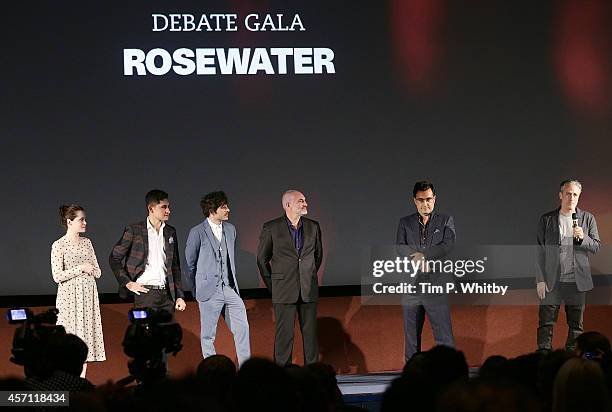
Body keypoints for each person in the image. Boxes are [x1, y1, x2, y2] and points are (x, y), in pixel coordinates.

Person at [257, 190, 323, 366]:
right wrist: (274, 285)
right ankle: (282, 377)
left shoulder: (313, 226)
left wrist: (307, 275)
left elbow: (318, 256)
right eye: (301, 201)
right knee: (284, 337)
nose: (305, 204)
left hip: (308, 288)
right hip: (283, 289)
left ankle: (313, 373)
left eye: (305, 200)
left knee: (310, 337)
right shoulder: (271, 227)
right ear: (288, 205)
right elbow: (262, 260)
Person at [185, 191, 250, 366]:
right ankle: (211, 370)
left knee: (242, 327)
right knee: (208, 334)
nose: (228, 209)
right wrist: (196, 289)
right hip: (208, 290)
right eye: (224, 207)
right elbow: (190, 263)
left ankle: (246, 368)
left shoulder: (231, 229)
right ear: (212, 210)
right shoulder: (197, 232)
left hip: (228, 288)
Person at [536, 179, 600, 352]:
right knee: (546, 324)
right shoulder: (547, 220)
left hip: (577, 283)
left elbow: (596, 246)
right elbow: (539, 252)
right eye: (568, 194)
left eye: (575, 195)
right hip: (552, 281)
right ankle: (543, 359)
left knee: (576, 327)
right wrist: (540, 280)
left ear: (579, 197)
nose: (571, 198)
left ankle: (571, 360)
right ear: (560, 195)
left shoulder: (587, 219)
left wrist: (583, 238)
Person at [396, 181, 456, 361]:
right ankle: (413, 376)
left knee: (443, 335)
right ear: (415, 201)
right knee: (411, 338)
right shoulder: (405, 223)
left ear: (434, 199)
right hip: (411, 287)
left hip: (436, 286)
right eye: (421, 200)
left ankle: (450, 372)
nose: (425, 204)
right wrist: (416, 256)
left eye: (429, 199)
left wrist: (424, 255)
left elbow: (447, 246)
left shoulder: (445, 221)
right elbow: (400, 247)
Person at [109, 189, 186, 315]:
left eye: (169, 207)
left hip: (167, 295)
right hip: (145, 295)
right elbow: (114, 258)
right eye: (164, 207)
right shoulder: (134, 230)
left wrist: (180, 295)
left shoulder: (170, 232)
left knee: (167, 334)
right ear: (151, 209)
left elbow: (175, 266)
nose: (168, 211)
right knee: (146, 333)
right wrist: (128, 283)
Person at [51, 204, 106, 377]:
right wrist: (80, 268)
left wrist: (90, 270)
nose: (85, 222)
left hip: (87, 296)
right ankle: (66, 382)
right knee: (68, 340)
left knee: (84, 339)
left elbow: (98, 271)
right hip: (69, 299)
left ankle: (81, 382)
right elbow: (57, 275)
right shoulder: (58, 245)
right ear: (69, 221)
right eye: (81, 219)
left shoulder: (87, 243)